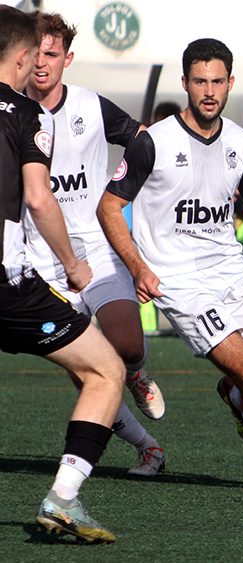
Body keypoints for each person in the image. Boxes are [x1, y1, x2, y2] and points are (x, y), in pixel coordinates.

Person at [98, 38, 243, 492]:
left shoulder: (241, 140)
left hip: (231, 272)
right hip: (178, 281)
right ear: (186, 84)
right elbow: (109, 208)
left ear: (231, 83)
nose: (209, 90)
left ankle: (235, 396)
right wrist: (138, 267)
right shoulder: (152, 142)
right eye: (200, 81)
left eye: (217, 81)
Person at [24, 12, 166, 478]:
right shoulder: (10, 111)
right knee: (88, 372)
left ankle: (138, 373)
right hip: (42, 260)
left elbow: (142, 143)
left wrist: (124, 193)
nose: (43, 64)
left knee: (124, 347)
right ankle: (148, 449)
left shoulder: (90, 106)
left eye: (52, 54)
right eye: (37, 53)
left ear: (68, 58)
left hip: (98, 250)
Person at [1, 6, 124, 543]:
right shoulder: (26, 117)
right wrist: (73, 264)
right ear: (25, 57)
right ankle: (63, 498)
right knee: (106, 372)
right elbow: (38, 196)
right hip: (8, 285)